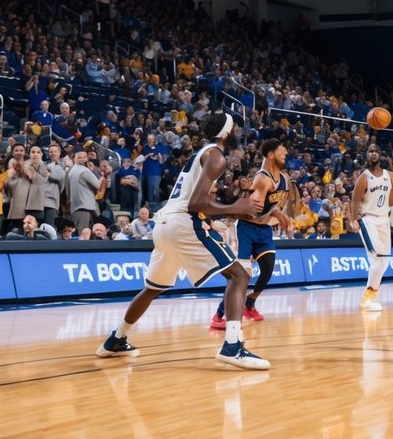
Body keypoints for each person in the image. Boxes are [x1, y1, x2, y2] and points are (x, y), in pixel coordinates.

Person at [97, 113, 289, 369]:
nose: (237, 136)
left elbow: (196, 201)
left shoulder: (202, 154)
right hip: (183, 223)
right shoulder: (216, 156)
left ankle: (116, 339)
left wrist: (230, 210)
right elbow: (196, 203)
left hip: (164, 223)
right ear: (225, 133)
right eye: (234, 131)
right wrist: (236, 206)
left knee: (153, 288)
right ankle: (232, 346)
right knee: (240, 276)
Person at [210, 139, 290, 328]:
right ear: (271, 154)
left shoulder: (284, 179)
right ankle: (219, 315)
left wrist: (278, 214)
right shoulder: (262, 179)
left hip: (264, 230)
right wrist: (227, 220)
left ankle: (250, 303)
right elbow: (255, 208)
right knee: (241, 277)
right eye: (282, 151)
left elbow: (273, 205)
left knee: (268, 269)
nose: (285, 153)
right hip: (245, 229)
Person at [351, 143, 393, 311]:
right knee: (377, 258)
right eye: (370, 151)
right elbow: (355, 200)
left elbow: (392, 201)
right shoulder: (364, 176)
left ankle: (372, 296)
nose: (373, 154)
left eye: (376, 151)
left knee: (384, 262)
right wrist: (353, 219)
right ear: (367, 155)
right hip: (368, 219)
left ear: (380, 155)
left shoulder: (387, 175)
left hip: (384, 220)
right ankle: (367, 298)